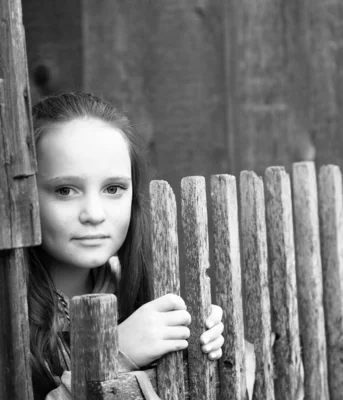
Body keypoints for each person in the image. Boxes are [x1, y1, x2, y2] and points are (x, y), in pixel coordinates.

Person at [27, 92, 225, 400]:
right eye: (65, 190)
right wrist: (112, 354)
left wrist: (212, 347)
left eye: (113, 188)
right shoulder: (6, 318)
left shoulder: (139, 295)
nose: (93, 214)